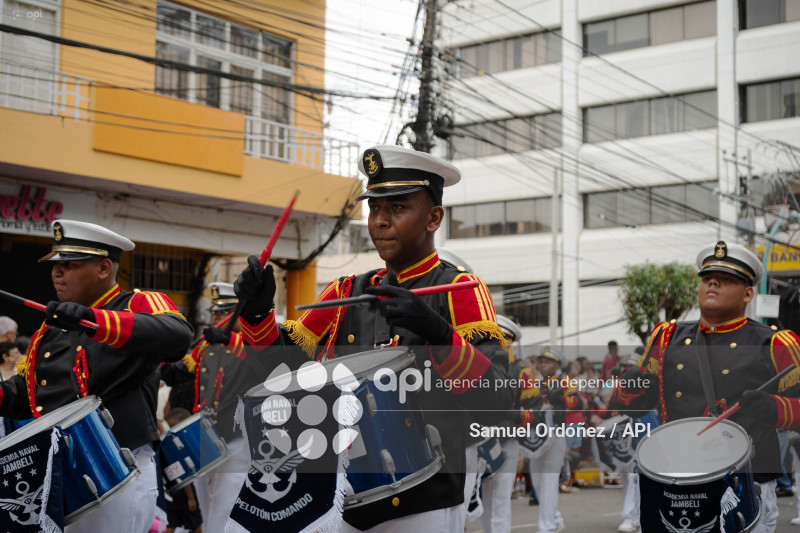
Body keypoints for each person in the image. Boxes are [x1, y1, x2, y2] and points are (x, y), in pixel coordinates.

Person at [233, 144, 515, 532]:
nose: (380, 221)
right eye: (374, 208)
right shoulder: (345, 290)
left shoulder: (459, 288)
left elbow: (496, 402)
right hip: (342, 495)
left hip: (425, 495)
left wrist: (437, 333)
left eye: (397, 208)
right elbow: (284, 373)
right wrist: (256, 312)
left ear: (434, 218)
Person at [0, 219, 193, 532]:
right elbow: (29, 396)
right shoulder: (50, 329)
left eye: (71, 264)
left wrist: (94, 320)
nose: (57, 273)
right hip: (58, 474)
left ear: (104, 268)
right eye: (55, 265)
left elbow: (177, 335)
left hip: (117, 471)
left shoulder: (137, 303)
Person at [614, 240, 800, 533]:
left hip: (742, 485)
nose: (713, 282)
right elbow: (633, 407)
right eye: (708, 278)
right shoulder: (667, 336)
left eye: (727, 279)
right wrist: (630, 384)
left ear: (748, 293)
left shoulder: (775, 343)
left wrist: (774, 408)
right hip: (674, 480)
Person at [478, 315, 527, 533]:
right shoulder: (478, 364)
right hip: (480, 440)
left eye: (505, 339)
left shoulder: (520, 372)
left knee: (499, 501)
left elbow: (530, 412)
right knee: (484, 501)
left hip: (507, 441)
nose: (501, 343)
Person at [164, 407, 204, 533]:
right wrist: (191, 498)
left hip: (171, 492)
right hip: (185, 492)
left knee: (171, 525)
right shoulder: (180, 445)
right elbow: (185, 474)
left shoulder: (166, 444)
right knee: (196, 525)